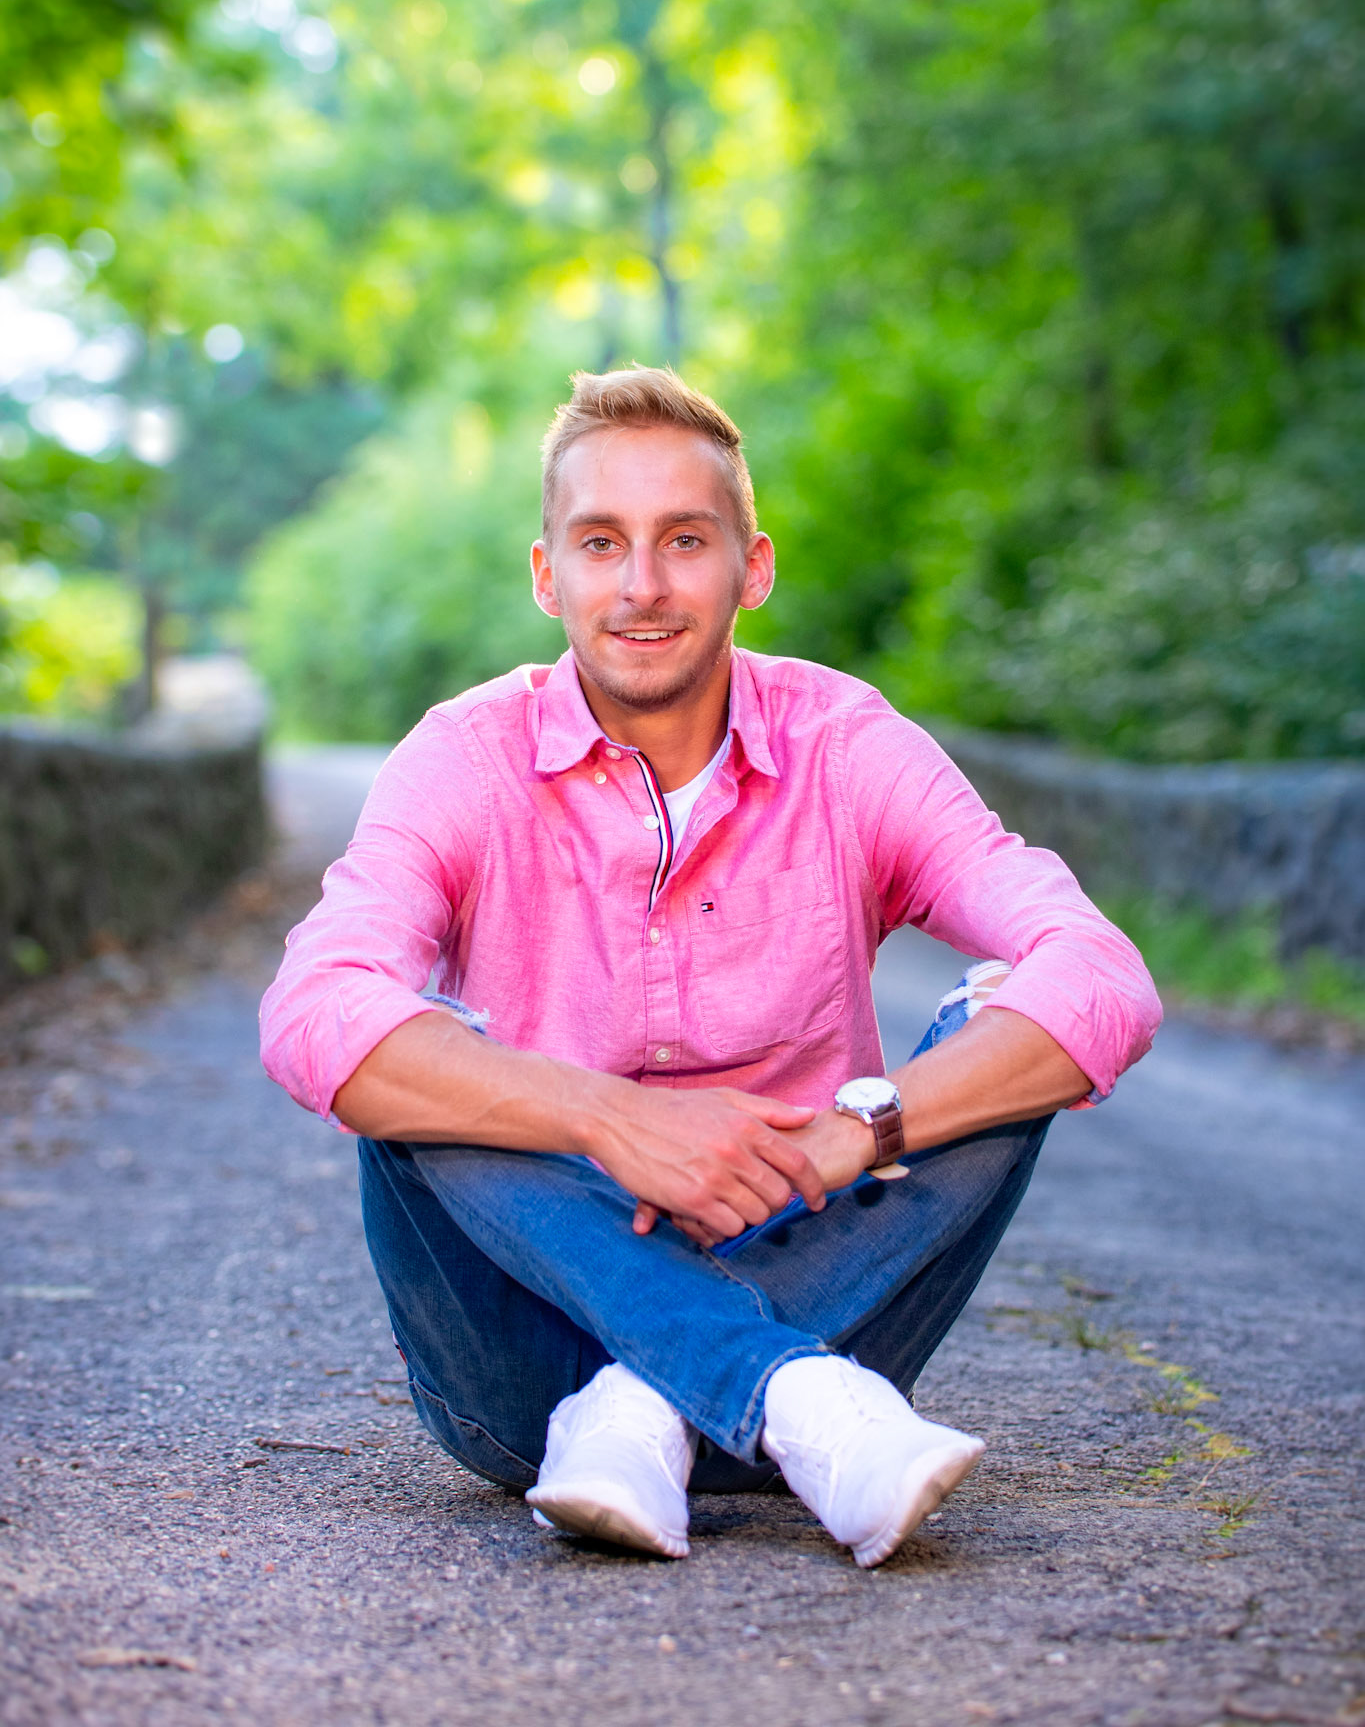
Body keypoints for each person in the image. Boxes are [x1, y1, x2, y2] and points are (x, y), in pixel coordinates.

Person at [260, 366, 1161, 1568]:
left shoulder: (848, 745)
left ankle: (649, 1405)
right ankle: (773, 1389)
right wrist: (607, 1116)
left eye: (684, 539)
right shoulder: (465, 758)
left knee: (1015, 1026)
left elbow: (1101, 972)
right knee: (414, 1058)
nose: (642, 584)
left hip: (824, 1302)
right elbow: (313, 1005)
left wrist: (857, 1132)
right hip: (526, 1385)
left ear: (754, 566)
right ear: (548, 574)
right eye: (601, 542)